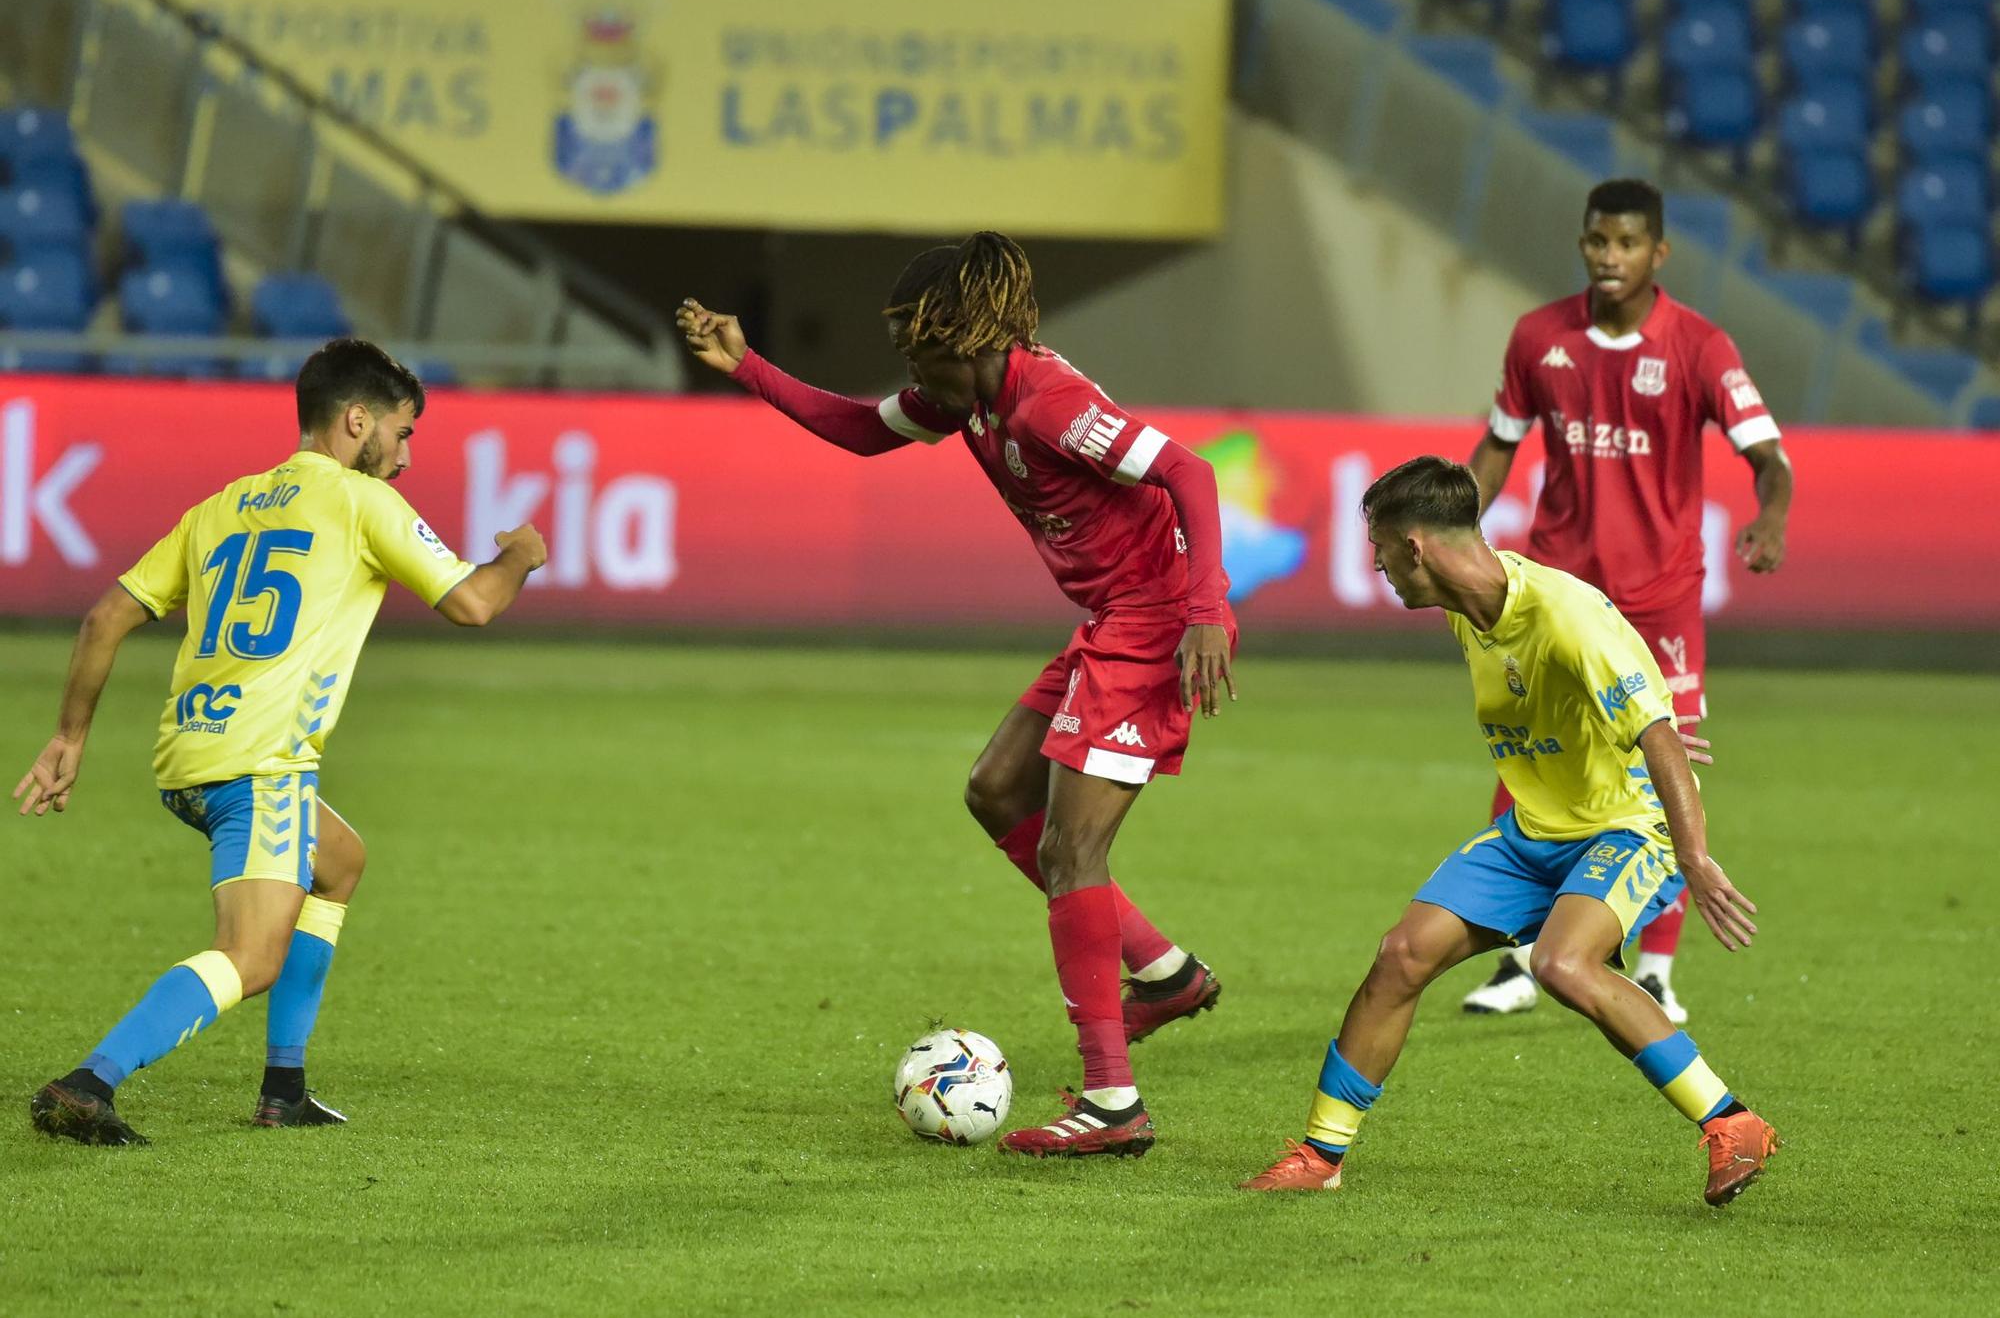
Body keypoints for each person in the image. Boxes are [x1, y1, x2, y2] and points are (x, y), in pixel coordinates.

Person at [677, 231, 1235, 1158]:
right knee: (996, 789)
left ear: (976, 338)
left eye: (927, 355)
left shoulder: (1050, 403)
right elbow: (862, 430)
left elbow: (1190, 470)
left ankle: (1112, 1103)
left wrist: (1209, 608)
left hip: (1156, 620)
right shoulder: (964, 401)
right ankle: (1164, 974)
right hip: (1110, 620)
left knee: (1071, 847)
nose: (916, 375)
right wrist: (749, 367)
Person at [17, 339, 547, 1145]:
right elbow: (474, 602)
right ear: (357, 420)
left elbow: (105, 617)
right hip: (262, 766)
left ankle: (284, 1087)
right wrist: (520, 556)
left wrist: (68, 736)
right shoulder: (362, 503)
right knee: (251, 956)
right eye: (401, 434)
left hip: (189, 758)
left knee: (339, 862)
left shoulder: (222, 505)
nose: (405, 458)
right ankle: (89, 1082)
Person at [1241, 456, 1778, 1206]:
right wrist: (1634, 717)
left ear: (1416, 547)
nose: (1378, 567)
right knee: (1401, 954)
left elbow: (1652, 729)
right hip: (1532, 831)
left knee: (1561, 962)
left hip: (1621, 828)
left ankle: (1733, 1122)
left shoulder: (1565, 614)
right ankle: (1320, 1152)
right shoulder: (1470, 609)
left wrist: (1693, 854)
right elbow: (1610, 702)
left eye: (1381, 550)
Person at [1460, 179, 1795, 1023]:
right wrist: (1455, 525)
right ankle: (1515, 962)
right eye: (1596, 241)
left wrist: (1773, 514)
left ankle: (1654, 968)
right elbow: (1498, 449)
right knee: (1530, 756)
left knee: (1664, 762)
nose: (1609, 257)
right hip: (1557, 597)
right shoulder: (1539, 339)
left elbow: (1769, 454)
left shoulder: (1699, 347)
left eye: (1626, 244)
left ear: (1659, 254)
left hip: (1658, 600)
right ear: (1582, 244)